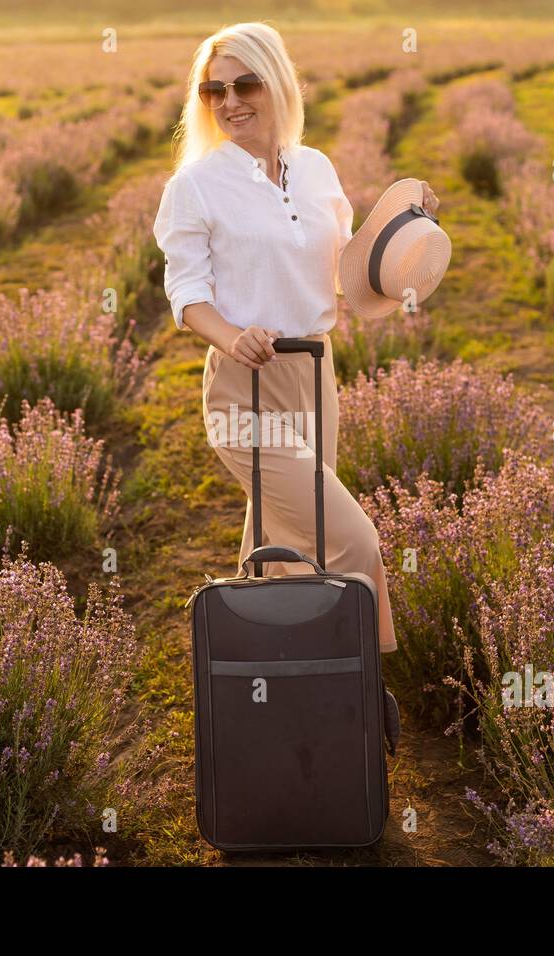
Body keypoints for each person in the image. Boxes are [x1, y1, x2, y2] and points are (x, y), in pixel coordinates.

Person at [152, 21, 440, 655]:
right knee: (353, 540)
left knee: (282, 534)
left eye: (245, 83)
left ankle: (267, 671)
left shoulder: (315, 171)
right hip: (243, 387)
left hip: (316, 376)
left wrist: (404, 228)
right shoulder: (195, 187)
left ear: (278, 83)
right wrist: (231, 337)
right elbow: (187, 298)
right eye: (213, 90)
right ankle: (362, 673)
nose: (230, 102)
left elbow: (345, 274)